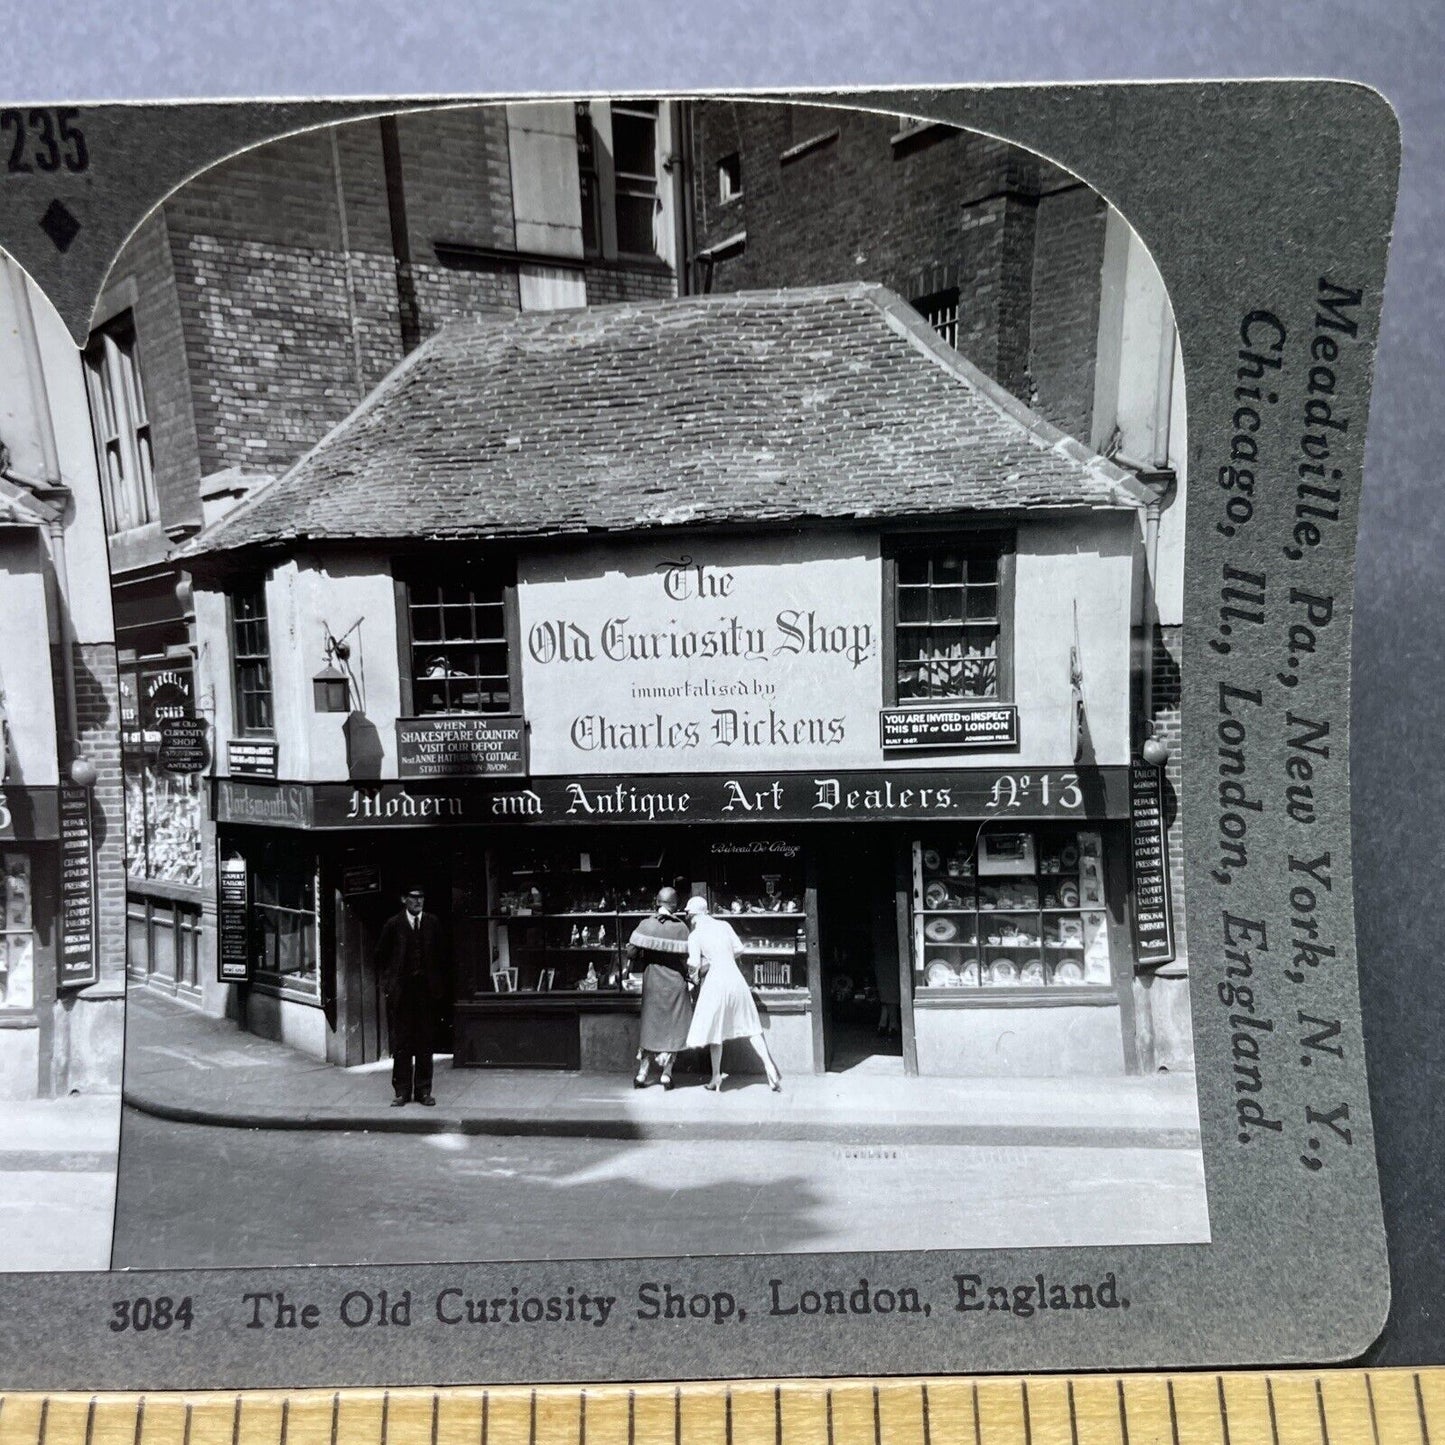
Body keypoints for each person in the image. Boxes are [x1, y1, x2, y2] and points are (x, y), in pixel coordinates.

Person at [683, 895, 782, 1093]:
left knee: (715, 1032)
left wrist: (699, 970)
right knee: (752, 1027)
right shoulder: (724, 925)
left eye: (690, 916)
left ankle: (715, 1078)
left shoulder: (695, 935)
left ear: (693, 915)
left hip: (715, 983)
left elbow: (693, 964)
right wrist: (723, 957)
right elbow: (739, 948)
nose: (690, 920)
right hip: (736, 980)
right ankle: (769, 1067)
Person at [374, 884, 448, 1106]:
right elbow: (380, 955)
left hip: (425, 991)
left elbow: (442, 955)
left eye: (422, 898)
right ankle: (402, 1091)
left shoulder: (433, 923)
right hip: (402, 992)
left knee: (425, 1041)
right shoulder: (393, 924)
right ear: (404, 899)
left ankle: (424, 1091)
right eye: (414, 898)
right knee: (402, 1043)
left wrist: (437, 984)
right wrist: (388, 984)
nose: (418, 902)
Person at [626, 886, 693, 1089]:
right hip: (675, 985)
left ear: (657, 902)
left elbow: (631, 953)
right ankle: (666, 1074)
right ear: (674, 905)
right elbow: (687, 959)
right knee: (673, 1028)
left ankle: (642, 1073)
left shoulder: (646, 924)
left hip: (653, 984)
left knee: (650, 1027)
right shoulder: (682, 928)